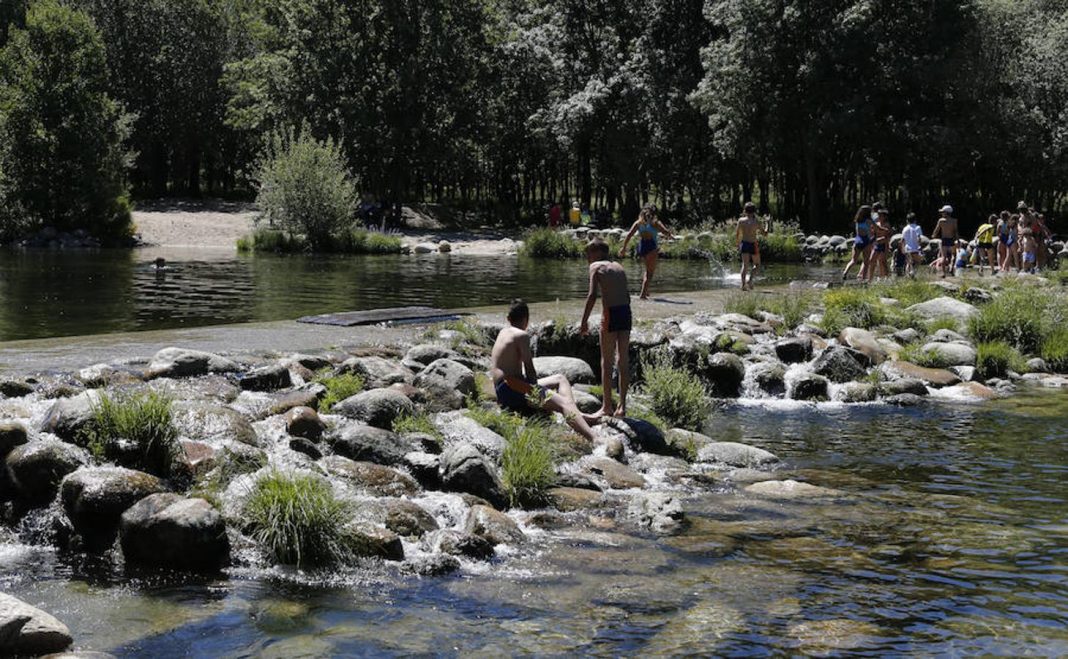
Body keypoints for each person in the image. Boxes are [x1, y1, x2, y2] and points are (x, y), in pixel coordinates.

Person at [490, 300, 598, 441]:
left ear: (508, 319)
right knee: (562, 403)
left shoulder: (503, 332)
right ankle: (595, 438)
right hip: (513, 388)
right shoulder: (521, 336)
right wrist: (540, 396)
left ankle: (577, 414)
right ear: (526, 320)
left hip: (503, 389)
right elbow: (530, 370)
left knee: (560, 378)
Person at [580, 239, 632, 418]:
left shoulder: (595, 266)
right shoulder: (619, 266)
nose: (587, 257)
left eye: (588, 253)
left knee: (607, 360)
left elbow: (592, 295)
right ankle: (623, 407)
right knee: (623, 359)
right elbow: (626, 294)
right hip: (626, 312)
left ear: (596, 253)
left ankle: (607, 407)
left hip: (610, 313)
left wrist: (584, 321)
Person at [619, 204, 674, 300]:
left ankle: (646, 291)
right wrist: (671, 236)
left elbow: (629, 235)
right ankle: (643, 295)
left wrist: (623, 248)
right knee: (650, 273)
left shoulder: (638, 223)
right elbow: (666, 232)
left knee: (647, 270)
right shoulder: (656, 223)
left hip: (642, 247)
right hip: (652, 247)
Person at [735, 202, 765, 290]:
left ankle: (743, 285)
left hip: (744, 243)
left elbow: (737, 234)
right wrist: (767, 224)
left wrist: (737, 244)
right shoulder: (756, 221)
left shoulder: (741, 220)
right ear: (754, 211)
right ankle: (750, 280)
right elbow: (765, 234)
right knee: (757, 264)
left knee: (745, 265)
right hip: (753, 244)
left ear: (745, 210)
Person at [842, 205, 874, 280]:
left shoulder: (858, 221)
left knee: (853, 260)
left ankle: (845, 272)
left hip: (858, 240)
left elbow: (857, 232)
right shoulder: (868, 221)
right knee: (866, 262)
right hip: (866, 241)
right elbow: (869, 233)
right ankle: (863, 278)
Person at [931, 205, 959, 278]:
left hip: (944, 240)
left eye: (943, 212)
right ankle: (951, 268)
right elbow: (955, 231)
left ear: (946, 213)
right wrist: (958, 239)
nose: (942, 213)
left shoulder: (941, 221)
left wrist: (933, 235)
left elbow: (937, 230)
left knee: (943, 256)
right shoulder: (954, 221)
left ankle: (943, 273)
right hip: (951, 239)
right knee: (954, 255)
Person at [868, 209, 893, 279]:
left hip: (884, 245)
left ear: (884, 217)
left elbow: (887, 236)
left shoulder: (887, 225)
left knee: (883, 262)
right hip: (876, 245)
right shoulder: (877, 224)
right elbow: (873, 234)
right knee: (871, 260)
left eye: (881, 215)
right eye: (879, 215)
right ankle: (870, 278)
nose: (879, 217)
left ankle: (886, 277)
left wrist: (881, 238)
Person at [901, 213, 925, 278]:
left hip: (907, 249)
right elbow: (919, 238)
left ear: (907, 220)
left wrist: (902, 249)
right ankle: (913, 274)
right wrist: (920, 248)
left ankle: (907, 276)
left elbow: (902, 240)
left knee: (908, 263)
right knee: (918, 262)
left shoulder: (905, 228)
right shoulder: (917, 227)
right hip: (915, 248)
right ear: (915, 220)